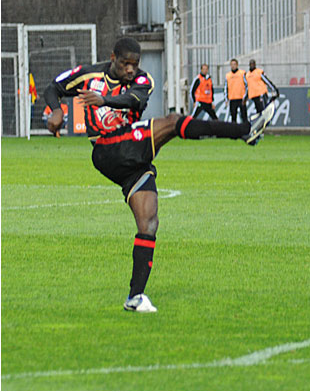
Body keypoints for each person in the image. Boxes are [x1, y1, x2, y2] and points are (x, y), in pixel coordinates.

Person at [43, 37, 275, 313]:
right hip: (107, 149)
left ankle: (135, 297)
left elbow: (133, 100)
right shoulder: (88, 74)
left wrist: (104, 99)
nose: (130, 69)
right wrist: (56, 111)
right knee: (173, 123)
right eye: (125, 63)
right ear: (113, 57)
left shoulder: (143, 81)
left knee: (148, 221)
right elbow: (53, 87)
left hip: (132, 155)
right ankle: (244, 131)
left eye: (134, 64)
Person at [225, 59, 248, 124]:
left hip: (241, 98)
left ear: (237, 65)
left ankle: (245, 131)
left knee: (244, 116)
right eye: (232, 64)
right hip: (232, 98)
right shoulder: (228, 75)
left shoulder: (242, 73)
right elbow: (226, 88)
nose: (233, 66)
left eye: (234, 64)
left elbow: (247, 85)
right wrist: (226, 99)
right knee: (233, 117)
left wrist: (245, 97)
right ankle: (234, 132)